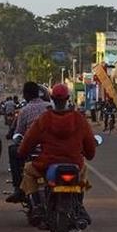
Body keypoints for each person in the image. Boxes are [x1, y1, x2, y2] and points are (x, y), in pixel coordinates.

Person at [17, 84, 96, 222]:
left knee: (28, 171)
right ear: (68, 99)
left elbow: (28, 141)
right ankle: (79, 205)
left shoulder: (44, 119)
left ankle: (37, 206)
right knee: (83, 171)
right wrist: (87, 154)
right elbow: (90, 151)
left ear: (52, 98)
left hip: (47, 164)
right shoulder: (79, 119)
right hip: (74, 163)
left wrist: (22, 152)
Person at [6, 82, 52, 203]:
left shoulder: (25, 111)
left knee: (13, 150)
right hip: (50, 148)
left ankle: (18, 188)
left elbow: (18, 132)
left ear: (25, 95)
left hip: (32, 148)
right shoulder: (50, 107)